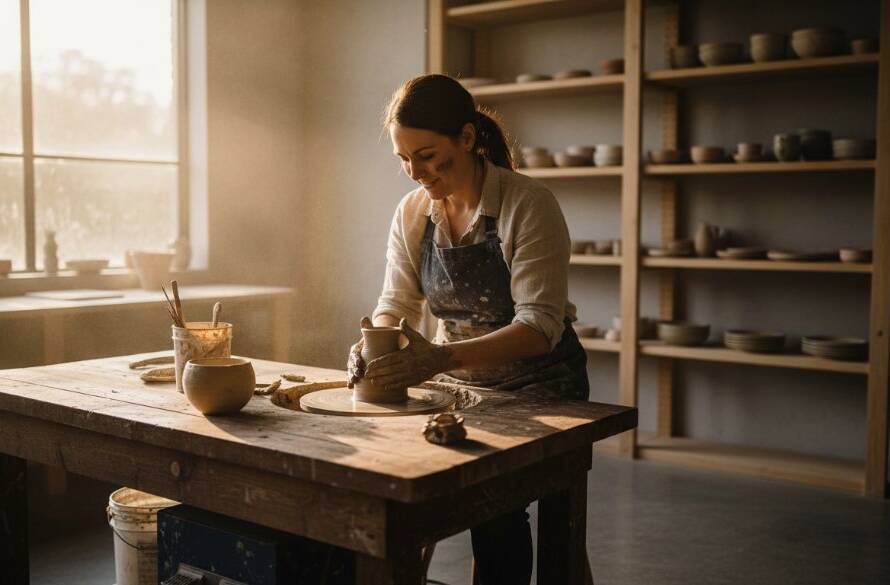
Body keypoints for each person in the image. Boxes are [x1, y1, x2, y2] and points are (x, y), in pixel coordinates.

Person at [346, 73, 589, 585]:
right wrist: (376, 344)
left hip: (539, 384)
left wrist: (440, 359)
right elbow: (396, 302)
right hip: (455, 382)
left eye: (427, 156)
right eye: (403, 158)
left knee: (494, 508)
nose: (415, 172)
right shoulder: (413, 212)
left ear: (467, 137)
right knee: (392, 485)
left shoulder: (527, 204)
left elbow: (539, 326)